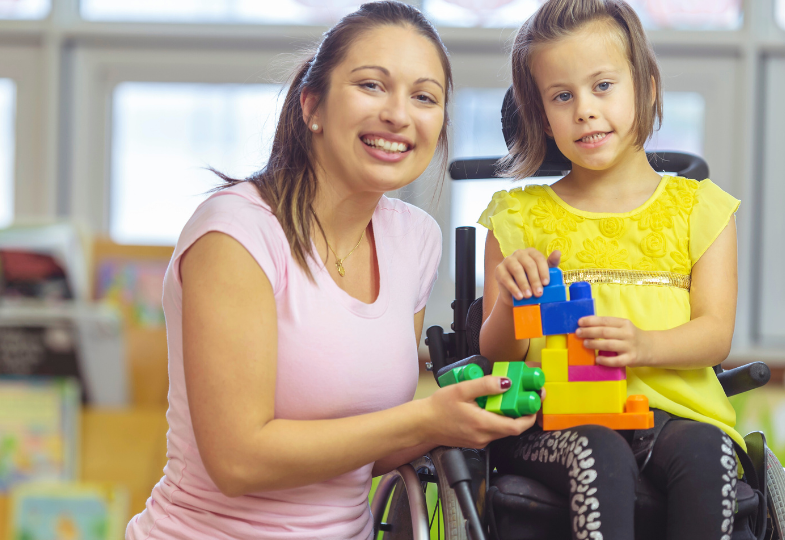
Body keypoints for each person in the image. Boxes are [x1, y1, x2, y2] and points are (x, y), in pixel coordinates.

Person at [125, 3, 535, 539]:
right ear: (311, 105)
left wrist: (469, 412)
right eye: (371, 85)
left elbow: (369, 449)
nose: (398, 114)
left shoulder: (413, 240)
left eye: (424, 97)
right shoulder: (236, 233)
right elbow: (237, 461)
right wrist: (427, 418)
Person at [477, 1, 742, 538]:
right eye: (561, 96)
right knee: (599, 451)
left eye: (603, 86)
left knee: (708, 451)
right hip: (556, 420)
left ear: (645, 87)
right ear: (541, 114)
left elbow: (715, 336)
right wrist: (510, 297)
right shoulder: (517, 218)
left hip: (676, 416)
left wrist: (645, 346)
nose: (584, 111)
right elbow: (497, 353)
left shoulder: (701, 209)